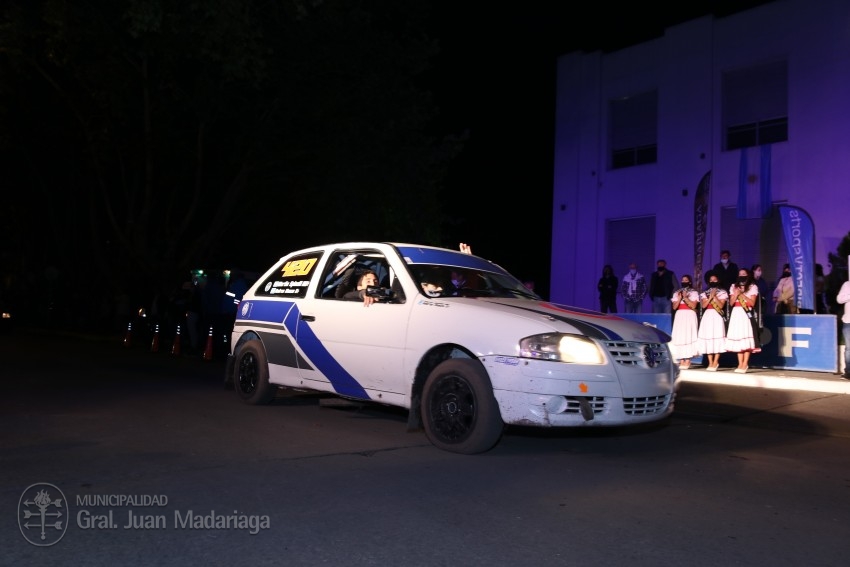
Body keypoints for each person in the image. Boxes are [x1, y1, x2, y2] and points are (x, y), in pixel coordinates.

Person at [725, 268, 759, 373]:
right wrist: (735, 294)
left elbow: (752, 303)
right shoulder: (733, 286)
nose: (741, 276)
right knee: (738, 338)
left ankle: (745, 364)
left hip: (746, 313)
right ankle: (740, 363)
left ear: (748, 275)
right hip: (736, 313)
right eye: (740, 274)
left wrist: (741, 294)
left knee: (745, 337)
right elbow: (731, 303)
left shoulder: (753, 287)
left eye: (744, 274)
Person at [698, 271, 728, 371]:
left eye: (714, 280)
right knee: (708, 338)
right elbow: (704, 305)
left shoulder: (723, 292)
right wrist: (710, 296)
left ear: (718, 281)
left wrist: (715, 296)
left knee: (717, 337)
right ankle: (710, 362)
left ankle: (716, 362)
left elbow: (721, 306)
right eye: (711, 280)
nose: (712, 281)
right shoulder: (704, 293)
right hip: (707, 316)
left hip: (717, 315)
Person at [670, 274, 700, 369]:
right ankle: (681, 359)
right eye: (682, 280)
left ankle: (688, 360)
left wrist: (686, 298)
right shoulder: (677, 293)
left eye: (686, 280)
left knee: (689, 335)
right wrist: (679, 298)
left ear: (689, 282)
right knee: (680, 336)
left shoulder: (694, 293)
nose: (684, 282)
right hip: (680, 315)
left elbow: (694, 306)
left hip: (689, 315)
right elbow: (674, 307)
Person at [837, 279, 850, 380]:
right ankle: (849, 372)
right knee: (849, 348)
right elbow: (839, 299)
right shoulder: (847, 284)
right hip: (848, 320)